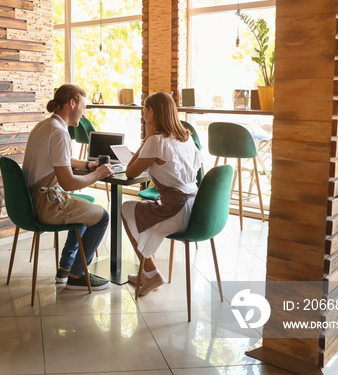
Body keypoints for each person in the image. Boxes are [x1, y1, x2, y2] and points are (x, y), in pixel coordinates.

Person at [22, 84, 114, 291]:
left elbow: (60, 159)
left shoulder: (45, 126)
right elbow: (68, 184)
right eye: (83, 107)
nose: (84, 113)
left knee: (83, 208)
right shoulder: (60, 133)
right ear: (72, 103)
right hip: (46, 205)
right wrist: (98, 174)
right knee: (102, 217)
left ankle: (66, 267)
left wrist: (88, 165)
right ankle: (77, 274)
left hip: (31, 202)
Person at [121, 91, 203, 296]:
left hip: (175, 212)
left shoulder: (155, 140)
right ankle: (145, 273)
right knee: (143, 213)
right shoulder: (186, 137)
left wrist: (146, 139)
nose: (142, 113)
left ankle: (152, 273)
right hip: (196, 209)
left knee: (127, 209)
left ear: (152, 112)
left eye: (144, 109)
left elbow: (130, 172)